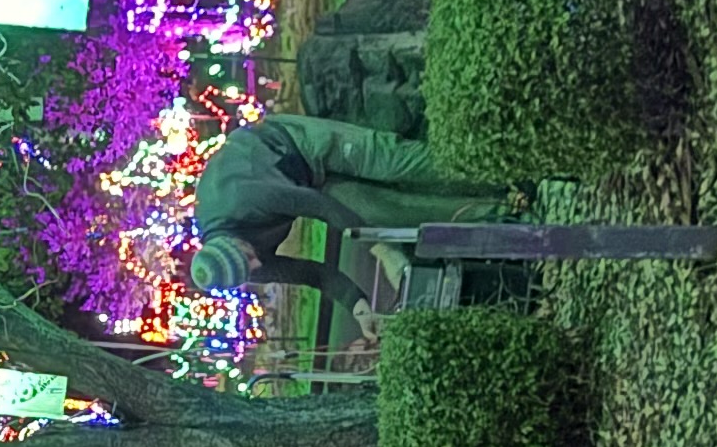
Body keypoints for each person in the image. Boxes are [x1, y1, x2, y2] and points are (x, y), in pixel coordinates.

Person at [184, 111, 511, 305]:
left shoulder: (239, 199)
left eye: (248, 256)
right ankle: (503, 211)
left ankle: (504, 168)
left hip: (297, 145)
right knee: (386, 213)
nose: (258, 262)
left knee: (396, 162)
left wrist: (384, 252)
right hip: (304, 183)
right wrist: (358, 306)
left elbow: (318, 206)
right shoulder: (246, 265)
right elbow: (316, 275)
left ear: (231, 242)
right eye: (251, 268)